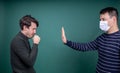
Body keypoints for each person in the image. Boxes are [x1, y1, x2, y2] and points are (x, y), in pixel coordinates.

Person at [61, 7, 120, 73]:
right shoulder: (101, 38)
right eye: (100, 20)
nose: (101, 22)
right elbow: (85, 47)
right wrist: (67, 42)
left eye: (103, 19)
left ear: (114, 19)